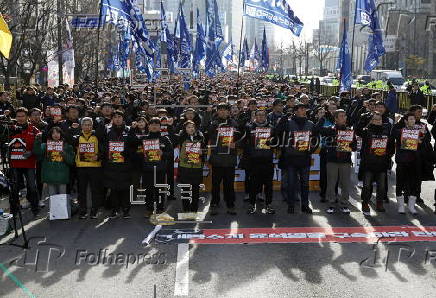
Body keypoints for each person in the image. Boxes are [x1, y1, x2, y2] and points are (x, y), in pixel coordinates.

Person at [277, 102, 318, 214]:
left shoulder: (311, 124)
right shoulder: (288, 123)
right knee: (291, 183)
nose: (304, 110)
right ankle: (291, 205)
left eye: (304, 108)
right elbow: (277, 133)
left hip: (305, 158)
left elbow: (316, 139)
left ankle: (305, 205)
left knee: (305, 184)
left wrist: (311, 150)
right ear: (295, 111)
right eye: (301, 108)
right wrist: (283, 119)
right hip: (290, 158)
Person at [317, 109, 357, 214]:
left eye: (345, 116)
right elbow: (317, 129)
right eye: (341, 116)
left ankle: (344, 204)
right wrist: (323, 117)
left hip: (345, 161)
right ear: (335, 118)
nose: (344, 118)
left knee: (345, 184)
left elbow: (354, 147)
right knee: (331, 183)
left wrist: (348, 144)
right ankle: (331, 204)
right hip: (332, 160)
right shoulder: (330, 129)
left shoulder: (349, 131)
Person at [356, 112, 394, 216]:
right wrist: (363, 117)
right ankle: (365, 203)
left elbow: (391, 146)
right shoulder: (366, 131)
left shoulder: (386, 131)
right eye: (375, 119)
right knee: (367, 185)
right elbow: (357, 130)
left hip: (382, 163)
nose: (378, 121)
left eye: (379, 119)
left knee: (381, 186)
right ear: (371, 120)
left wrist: (388, 156)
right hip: (368, 163)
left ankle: (379, 203)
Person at [206, 103, 241, 216]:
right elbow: (206, 134)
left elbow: (242, 138)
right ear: (217, 112)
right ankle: (214, 204)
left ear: (228, 112)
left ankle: (230, 204)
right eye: (220, 110)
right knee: (215, 184)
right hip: (216, 158)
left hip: (230, 158)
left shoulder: (234, 123)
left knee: (229, 184)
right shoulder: (213, 123)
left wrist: (236, 144)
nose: (222, 112)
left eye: (225, 110)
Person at [134, 117, 173, 217]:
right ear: (149, 126)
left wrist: (163, 153)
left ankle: (160, 209)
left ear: (160, 127)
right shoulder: (144, 138)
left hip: (160, 169)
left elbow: (171, 153)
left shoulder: (165, 138)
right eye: (152, 124)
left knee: (160, 189)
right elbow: (133, 147)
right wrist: (141, 153)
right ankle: (149, 209)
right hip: (147, 169)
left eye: (157, 124)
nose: (154, 126)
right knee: (149, 190)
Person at [7, 107, 41, 218]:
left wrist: (32, 152)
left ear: (27, 117)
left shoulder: (34, 129)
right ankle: (14, 210)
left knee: (32, 186)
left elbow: (39, 146)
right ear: (15, 117)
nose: (20, 118)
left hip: (29, 163)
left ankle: (35, 209)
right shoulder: (11, 129)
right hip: (14, 164)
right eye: (18, 116)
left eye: (22, 116)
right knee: (15, 187)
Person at [101, 110, 133, 219]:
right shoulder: (107, 130)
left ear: (123, 118)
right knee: (113, 189)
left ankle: (126, 210)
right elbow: (103, 144)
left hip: (125, 164)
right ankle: (114, 210)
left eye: (120, 117)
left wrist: (125, 151)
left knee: (125, 189)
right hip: (111, 165)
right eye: (115, 117)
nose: (118, 119)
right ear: (112, 119)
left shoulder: (129, 130)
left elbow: (134, 144)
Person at [72, 117, 104, 219]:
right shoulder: (77, 136)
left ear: (92, 126)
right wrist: (71, 129)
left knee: (95, 190)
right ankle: (83, 211)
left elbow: (104, 149)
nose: (87, 126)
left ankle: (94, 210)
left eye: (89, 124)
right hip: (81, 167)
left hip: (95, 167)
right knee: (82, 191)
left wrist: (98, 156)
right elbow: (70, 144)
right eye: (85, 124)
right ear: (81, 126)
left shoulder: (97, 135)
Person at [244, 110, 275, 215]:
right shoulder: (249, 127)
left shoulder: (271, 127)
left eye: (263, 115)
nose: (261, 117)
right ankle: (252, 205)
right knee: (253, 185)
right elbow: (244, 142)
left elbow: (277, 142)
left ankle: (269, 205)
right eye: (258, 115)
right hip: (254, 161)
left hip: (268, 160)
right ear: (255, 116)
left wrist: (272, 142)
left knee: (269, 185)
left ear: (266, 116)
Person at [393, 112, 422, 214]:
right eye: (410, 119)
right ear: (405, 121)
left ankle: (411, 206)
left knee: (414, 183)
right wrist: (396, 122)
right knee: (400, 182)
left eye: (413, 119)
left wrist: (421, 139)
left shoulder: (419, 131)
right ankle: (401, 206)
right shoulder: (400, 131)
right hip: (402, 161)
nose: (412, 121)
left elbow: (425, 142)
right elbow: (392, 134)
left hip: (415, 161)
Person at [175, 120, 207, 216]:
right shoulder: (181, 137)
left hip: (197, 167)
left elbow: (204, 150)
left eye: (192, 126)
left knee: (196, 190)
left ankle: (194, 210)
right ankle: (186, 210)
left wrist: (202, 152)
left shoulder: (200, 137)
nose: (191, 128)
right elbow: (173, 135)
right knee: (185, 190)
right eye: (188, 127)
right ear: (184, 129)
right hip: (185, 167)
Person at [33, 127, 75, 197]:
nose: (55, 134)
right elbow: (37, 152)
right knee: (52, 198)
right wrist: (38, 140)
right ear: (50, 135)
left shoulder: (67, 146)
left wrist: (64, 154)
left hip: (62, 178)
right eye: (53, 133)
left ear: (61, 134)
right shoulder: (45, 146)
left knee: (62, 199)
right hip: (50, 177)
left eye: (58, 132)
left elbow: (71, 161)